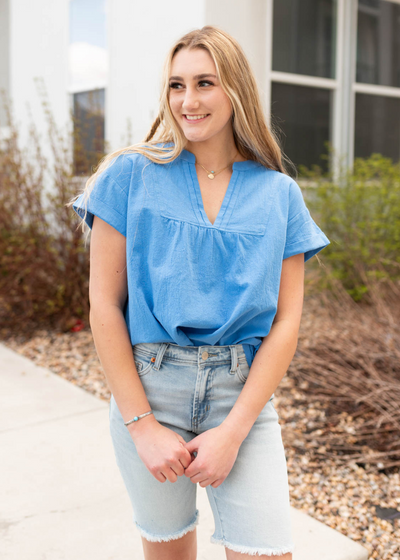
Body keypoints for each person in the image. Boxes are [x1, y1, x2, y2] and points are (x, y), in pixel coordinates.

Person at [69, 25, 330, 560]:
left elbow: (285, 323)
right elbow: (104, 307)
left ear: (235, 89)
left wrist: (233, 432)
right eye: (176, 85)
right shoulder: (128, 175)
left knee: (266, 551)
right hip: (149, 393)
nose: (188, 100)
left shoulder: (279, 193)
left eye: (205, 82)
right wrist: (142, 427)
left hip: (243, 397)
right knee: (169, 555)